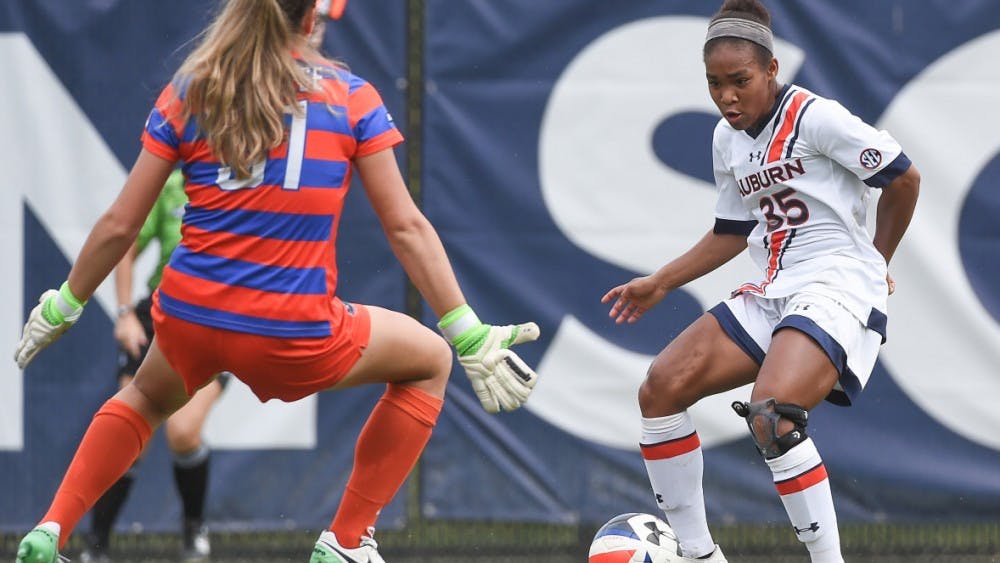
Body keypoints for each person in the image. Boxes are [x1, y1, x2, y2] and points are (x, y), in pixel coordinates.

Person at [13, 1, 540, 562]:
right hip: (290, 332)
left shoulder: (192, 88)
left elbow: (121, 223)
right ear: (313, 19)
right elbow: (406, 227)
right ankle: (344, 541)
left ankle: (51, 529)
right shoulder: (351, 96)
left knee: (142, 397)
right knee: (431, 359)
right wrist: (466, 332)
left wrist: (63, 304)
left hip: (189, 314)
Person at [601, 1, 919, 561]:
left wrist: (877, 260)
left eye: (740, 81)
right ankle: (699, 555)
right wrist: (661, 282)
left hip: (838, 284)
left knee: (771, 413)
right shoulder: (728, 139)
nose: (727, 97)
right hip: (776, 286)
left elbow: (903, 179)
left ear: (772, 71)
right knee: (661, 387)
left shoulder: (817, 119)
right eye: (714, 84)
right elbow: (731, 230)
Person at [80, 169, 228, 563]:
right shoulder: (172, 184)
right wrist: (125, 313)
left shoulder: (251, 180)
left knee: (182, 432)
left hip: (218, 321)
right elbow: (125, 242)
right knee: (128, 439)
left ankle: (194, 532)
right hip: (161, 316)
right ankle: (95, 547)